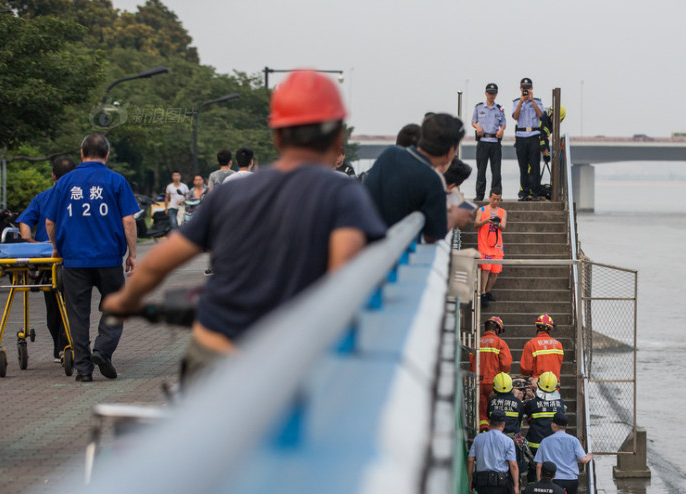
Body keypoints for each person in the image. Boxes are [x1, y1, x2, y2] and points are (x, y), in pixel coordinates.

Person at [101, 70, 386, 386]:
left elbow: (158, 263)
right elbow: (344, 281)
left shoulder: (231, 192)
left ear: (277, 137)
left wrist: (125, 301)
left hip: (213, 354)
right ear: (337, 138)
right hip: (286, 364)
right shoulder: (344, 194)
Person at [45, 133, 139, 382]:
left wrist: (57, 247)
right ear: (107, 154)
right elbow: (128, 220)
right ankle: (103, 350)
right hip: (108, 258)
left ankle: (84, 370)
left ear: (82, 153)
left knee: (77, 313)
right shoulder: (116, 180)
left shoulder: (64, 183)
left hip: (74, 260)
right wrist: (133, 254)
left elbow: (50, 221)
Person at [363, 113, 465, 243]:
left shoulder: (389, 154)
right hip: (392, 255)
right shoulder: (434, 180)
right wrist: (455, 217)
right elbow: (432, 236)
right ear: (451, 151)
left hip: (362, 247)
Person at [16, 155, 76, 363]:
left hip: (46, 260)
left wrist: (32, 243)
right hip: (72, 259)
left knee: (53, 304)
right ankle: (66, 346)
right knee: (71, 303)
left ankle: (59, 348)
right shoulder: (78, 197)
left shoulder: (43, 197)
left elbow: (24, 224)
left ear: (52, 175)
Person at [534, 411, 592, 494]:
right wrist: (589, 456)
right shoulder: (573, 440)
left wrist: (540, 482)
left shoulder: (545, 441)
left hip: (552, 480)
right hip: (571, 480)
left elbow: (539, 465)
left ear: (554, 425)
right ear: (566, 426)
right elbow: (583, 460)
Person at [470, 316, 512, 431]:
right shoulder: (500, 343)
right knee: (494, 408)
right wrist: (504, 376)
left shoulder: (476, 343)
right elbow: (506, 364)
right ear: (497, 329)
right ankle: (495, 431)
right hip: (493, 383)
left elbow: (471, 361)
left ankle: (484, 429)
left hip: (477, 381)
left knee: (482, 411)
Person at [523, 371, 566, 483]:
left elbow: (525, 415)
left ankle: (533, 491)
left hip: (534, 444)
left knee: (533, 469)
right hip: (553, 444)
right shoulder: (560, 403)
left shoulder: (532, 403)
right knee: (551, 469)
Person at [471, 82, 506, 202]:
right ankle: (480, 193)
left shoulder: (499, 109)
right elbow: (473, 121)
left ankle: (496, 194)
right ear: (486, 93)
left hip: (495, 142)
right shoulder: (479, 107)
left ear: (496, 94)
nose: (491, 95)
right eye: (490, 93)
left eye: (494, 93)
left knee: (496, 171)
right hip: (483, 141)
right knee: (481, 169)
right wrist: (477, 127)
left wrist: (501, 130)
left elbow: (503, 123)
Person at [512, 77, 544, 201]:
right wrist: (521, 102)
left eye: (528, 88)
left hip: (534, 135)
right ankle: (524, 192)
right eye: (524, 88)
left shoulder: (537, 101)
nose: (526, 90)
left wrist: (531, 100)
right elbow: (515, 116)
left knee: (535, 165)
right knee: (523, 166)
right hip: (521, 136)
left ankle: (536, 192)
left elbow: (540, 114)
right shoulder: (516, 102)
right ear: (520, 89)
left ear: (531, 89)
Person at [474, 189, 506, 303]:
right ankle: (482, 292)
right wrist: (487, 220)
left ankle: (487, 291)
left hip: (497, 246)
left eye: (498, 199)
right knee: (485, 270)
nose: (496, 201)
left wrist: (497, 224)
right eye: (494, 199)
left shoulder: (502, 212)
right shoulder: (482, 210)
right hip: (484, 245)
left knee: (495, 272)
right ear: (489, 197)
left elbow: (503, 226)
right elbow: (476, 224)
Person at [520, 313, 564, 391]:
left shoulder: (531, 344)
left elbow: (526, 369)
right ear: (550, 329)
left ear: (536, 327)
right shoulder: (558, 345)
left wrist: (525, 378)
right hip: (554, 385)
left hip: (538, 385)